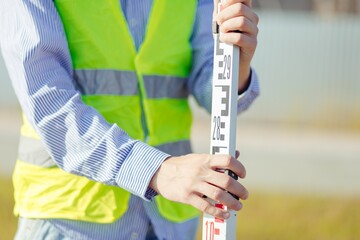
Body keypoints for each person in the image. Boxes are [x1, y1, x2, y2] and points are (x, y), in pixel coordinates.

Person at [0, 0, 259, 239]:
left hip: (169, 222)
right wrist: (159, 171)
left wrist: (235, 63)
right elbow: (50, 106)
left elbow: (209, 83)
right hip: (70, 220)